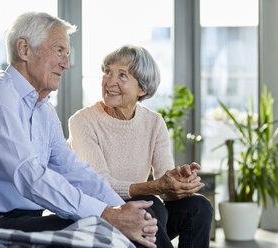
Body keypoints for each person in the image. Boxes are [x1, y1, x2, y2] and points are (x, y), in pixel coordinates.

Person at [0, 12, 158, 248]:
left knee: (144, 217)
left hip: (25, 220)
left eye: (67, 54)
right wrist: (109, 215)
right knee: (107, 230)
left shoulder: (43, 109)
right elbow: (29, 176)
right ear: (24, 49)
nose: (66, 63)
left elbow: (74, 171)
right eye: (59, 51)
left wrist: (121, 209)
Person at [68, 45, 213, 248]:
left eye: (122, 75)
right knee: (148, 205)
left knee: (199, 206)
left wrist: (180, 182)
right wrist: (156, 187)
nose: (110, 81)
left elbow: (165, 186)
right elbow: (101, 186)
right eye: (107, 72)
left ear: (142, 88)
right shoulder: (83, 120)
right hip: (103, 217)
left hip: (146, 216)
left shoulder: (154, 122)